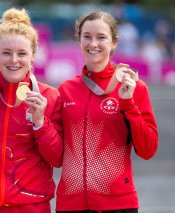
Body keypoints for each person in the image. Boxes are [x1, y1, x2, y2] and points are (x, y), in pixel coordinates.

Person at [56, 11, 159, 213]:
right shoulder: (65, 90)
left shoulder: (135, 87)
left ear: (114, 42)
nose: (93, 44)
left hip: (118, 205)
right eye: (87, 36)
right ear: (79, 40)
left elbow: (148, 150)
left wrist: (128, 103)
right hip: (70, 205)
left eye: (101, 37)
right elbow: (56, 154)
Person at [0, 8, 63, 213]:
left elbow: (57, 158)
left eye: (22, 53)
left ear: (34, 55)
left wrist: (40, 123)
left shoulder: (50, 97)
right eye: (6, 53)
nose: (14, 60)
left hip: (32, 206)